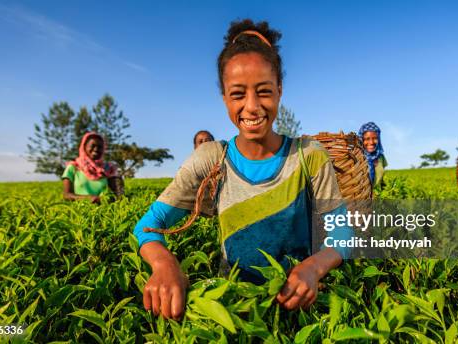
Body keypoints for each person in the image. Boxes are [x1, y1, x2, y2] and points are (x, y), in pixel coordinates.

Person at [133, 19, 353, 321]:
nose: (251, 106)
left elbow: (343, 234)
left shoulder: (308, 156)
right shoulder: (211, 159)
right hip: (232, 308)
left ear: (279, 90)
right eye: (238, 94)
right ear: (224, 97)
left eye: (263, 91)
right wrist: (164, 265)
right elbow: (148, 225)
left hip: (301, 306)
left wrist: (314, 267)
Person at [62, 132, 122, 203]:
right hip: (79, 210)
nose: (96, 149)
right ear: (84, 147)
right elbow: (66, 195)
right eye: (92, 146)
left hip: (105, 210)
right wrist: (87, 198)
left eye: (100, 147)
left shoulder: (108, 168)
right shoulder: (73, 167)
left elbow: (118, 195)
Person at [359, 122, 387, 188]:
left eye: (375, 138)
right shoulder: (357, 158)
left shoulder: (381, 157)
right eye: (367, 139)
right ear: (361, 140)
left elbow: (382, 179)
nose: (371, 142)